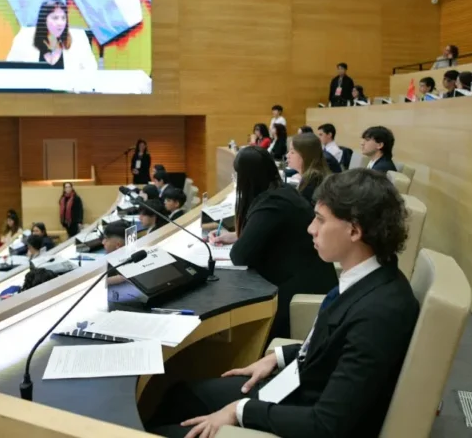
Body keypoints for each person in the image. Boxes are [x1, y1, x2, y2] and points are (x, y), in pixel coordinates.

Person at [148, 169, 418, 438]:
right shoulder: (369, 274)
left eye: (321, 220)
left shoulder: (379, 313)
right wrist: (278, 358)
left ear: (354, 230)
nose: (311, 228)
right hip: (299, 385)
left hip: (304, 411)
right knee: (181, 395)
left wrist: (239, 411)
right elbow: (334, 347)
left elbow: (326, 424)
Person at [208, 146, 337, 340]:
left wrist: (243, 239)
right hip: (309, 275)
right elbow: (271, 231)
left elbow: (239, 256)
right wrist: (238, 235)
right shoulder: (281, 190)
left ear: (247, 178)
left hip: (299, 289)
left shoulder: (271, 203)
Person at [6, 0, 97, 70]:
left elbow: (91, 73)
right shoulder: (24, 37)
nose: (60, 23)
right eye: (55, 18)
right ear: (44, 20)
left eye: (63, 18)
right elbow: (10, 72)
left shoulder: (79, 39)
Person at [287, 133, 331, 205]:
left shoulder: (313, 180)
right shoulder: (312, 175)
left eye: (292, 152)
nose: (287, 155)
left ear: (305, 156)